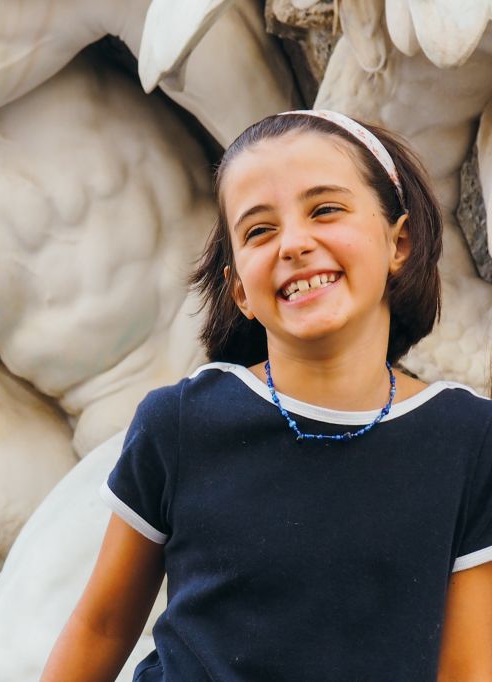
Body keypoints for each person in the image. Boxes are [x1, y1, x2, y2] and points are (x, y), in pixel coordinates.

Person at [41, 110, 492, 681]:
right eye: (259, 230)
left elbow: (468, 670)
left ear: (398, 241)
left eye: (325, 209)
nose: (294, 244)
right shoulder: (180, 423)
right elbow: (99, 627)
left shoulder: (470, 440)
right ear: (239, 291)